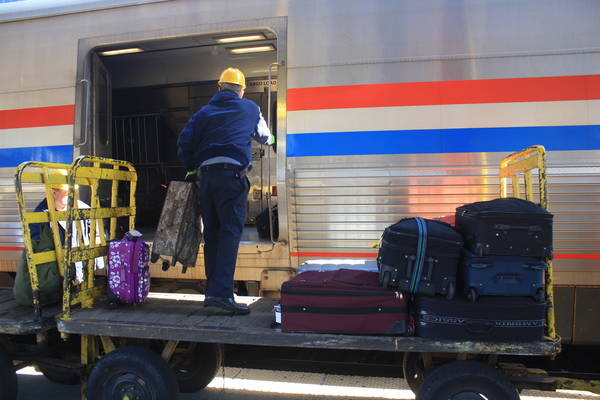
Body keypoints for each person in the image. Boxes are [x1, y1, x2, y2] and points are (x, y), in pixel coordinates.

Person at [177, 67, 274, 315]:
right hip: (232, 177)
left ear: (220, 87)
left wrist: (190, 168)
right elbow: (264, 136)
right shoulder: (251, 108)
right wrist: (273, 141)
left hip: (206, 179)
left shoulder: (203, 113)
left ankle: (213, 292)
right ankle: (221, 294)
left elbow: (184, 142)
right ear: (241, 91)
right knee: (230, 233)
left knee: (212, 234)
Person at [14, 170, 103, 306]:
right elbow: (38, 253)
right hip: (52, 279)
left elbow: (96, 232)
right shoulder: (40, 217)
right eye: (67, 193)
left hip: (75, 272)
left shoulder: (82, 208)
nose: (72, 196)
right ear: (52, 192)